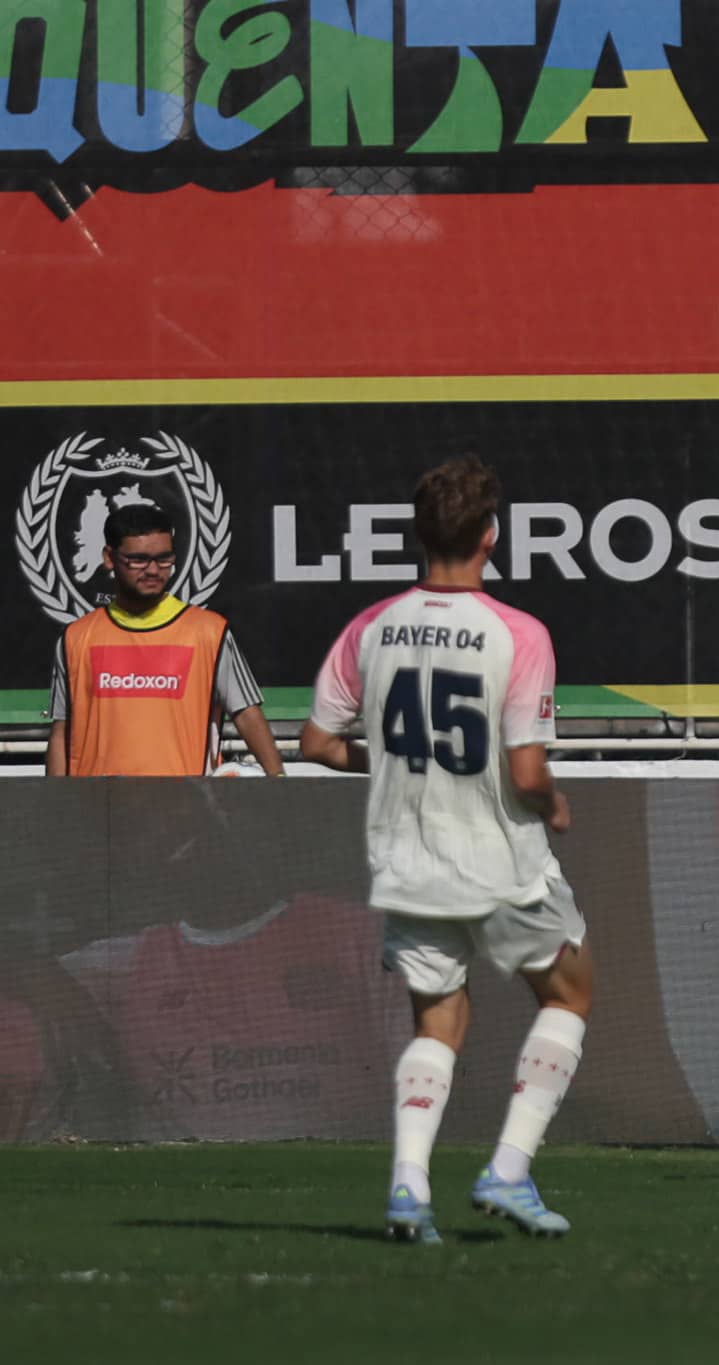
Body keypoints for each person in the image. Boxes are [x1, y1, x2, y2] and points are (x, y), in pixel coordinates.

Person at [299, 454, 591, 1245]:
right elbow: (526, 769)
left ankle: (408, 1183)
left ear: (415, 534)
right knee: (569, 993)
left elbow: (319, 740)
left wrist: (389, 759)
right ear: (492, 536)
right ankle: (508, 1166)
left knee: (437, 1021)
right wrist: (553, 801)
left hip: (409, 861)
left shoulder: (371, 627)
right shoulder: (517, 633)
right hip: (499, 858)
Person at [46, 502, 285, 777]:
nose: (153, 570)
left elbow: (246, 713)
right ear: (109, 558)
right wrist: (56, 810)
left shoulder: (209, 632)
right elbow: (61, 732)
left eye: (164, 559)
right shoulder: (76, 637)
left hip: (184, 809)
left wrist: (280, 786)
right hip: (98, 811)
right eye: (138, 559)